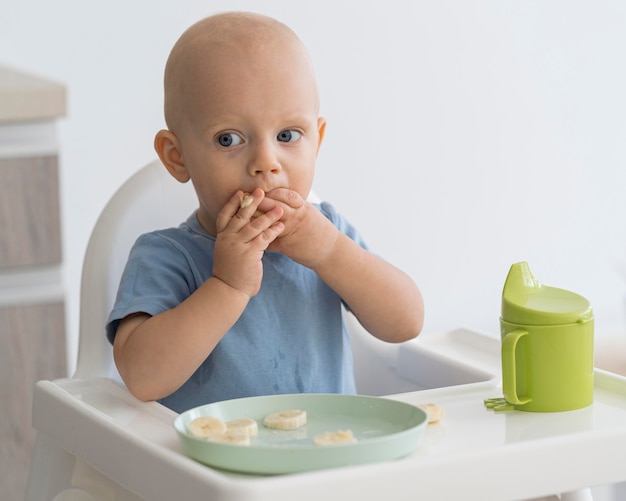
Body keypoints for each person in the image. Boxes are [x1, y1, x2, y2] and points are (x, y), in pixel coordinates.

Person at [106, 11, 424, 413]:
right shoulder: (166, 256)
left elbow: (406, 322)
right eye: (229, 139)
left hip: (330, 456)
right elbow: (142, 377)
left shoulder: (327, 234)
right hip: (216, 469)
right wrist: (227, 286)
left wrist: (330, 252)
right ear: (177, 157)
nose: (266, 162)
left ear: (317, 140)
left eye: (288, 135)